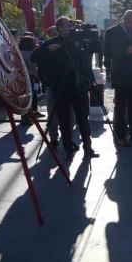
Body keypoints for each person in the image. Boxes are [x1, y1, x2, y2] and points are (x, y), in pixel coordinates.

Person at [31, 17, 100, 160]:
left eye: (73, 25)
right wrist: (48, 50)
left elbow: (97, 48)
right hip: (60, 85)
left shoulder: (80, 40)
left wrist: (91, 35)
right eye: (69, 25)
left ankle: (88, 147)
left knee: (83, 118)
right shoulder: (52, 42)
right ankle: (68, 148)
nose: (72, 27)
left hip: (79, 85)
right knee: (63, 119)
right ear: (60, 28)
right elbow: (34, 57)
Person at [104, 10, 132, 147]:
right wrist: (125, 51)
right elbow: (107, 52)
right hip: (121, 74)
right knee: (120, 106)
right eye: (131, 23)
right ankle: (120, 135)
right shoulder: (112, 32)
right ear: (125, 19)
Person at [19, 36, 41, 126]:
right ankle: (26, 117)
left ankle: (26, 116)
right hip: (29, 75)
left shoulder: (22, 52)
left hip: (28, 75)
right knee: (28, 96)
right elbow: (33, 63)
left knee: (28, 95)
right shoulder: (26, 53)